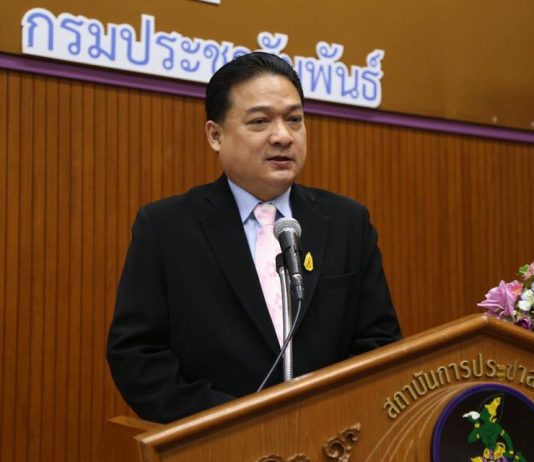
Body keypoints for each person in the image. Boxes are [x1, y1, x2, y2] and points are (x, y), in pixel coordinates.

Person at [107, 52, 402, 424]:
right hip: (216, 439)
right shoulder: (166, 228)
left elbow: (379, 343)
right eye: (260, 121)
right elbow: (137, 355)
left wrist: (330, 417)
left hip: (332, 437)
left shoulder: (347, 222)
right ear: (215, 135)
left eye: (294, 119)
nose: (282, 136)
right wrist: (231, 423)